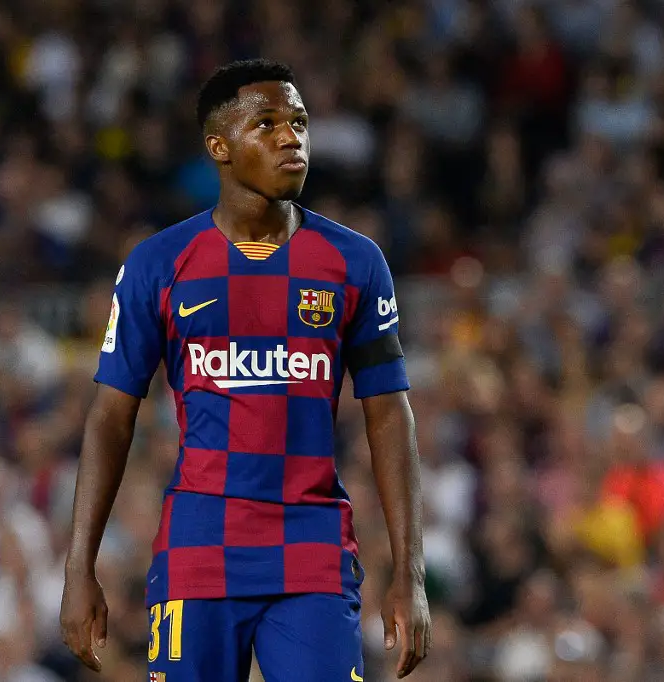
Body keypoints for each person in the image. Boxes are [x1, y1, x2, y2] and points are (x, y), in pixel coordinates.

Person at [59, 59, 431, 681]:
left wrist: (408, 573)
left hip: (312, 551)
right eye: (267, 123)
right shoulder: (159, 264)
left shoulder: (355, 262)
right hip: (199, 549)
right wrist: (79, 569)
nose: (292, 137)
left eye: (300, 122)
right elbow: (109, 419)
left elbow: (389, 415)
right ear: (220, 148)